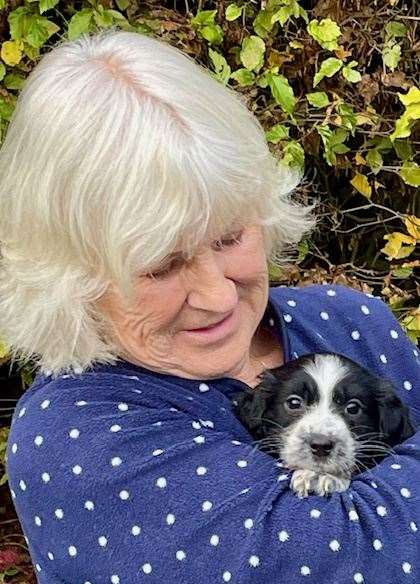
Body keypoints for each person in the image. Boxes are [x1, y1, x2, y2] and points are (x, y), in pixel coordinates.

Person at [0, 28, 419, 584]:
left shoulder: (351, 319)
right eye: (159, 264)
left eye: (228, 237)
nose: (219, 294)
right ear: (69, 278)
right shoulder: (75, 432)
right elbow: (350, 557)